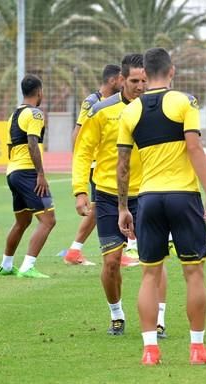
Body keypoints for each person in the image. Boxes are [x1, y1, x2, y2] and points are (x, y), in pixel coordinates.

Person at [117, 47, 206, 365]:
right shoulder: (184, 102)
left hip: (147, 199)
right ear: (171, 71)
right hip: (182, 196)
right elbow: (194, 146)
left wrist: (123, 207)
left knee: (149, 275)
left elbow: (123, 165)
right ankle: (197, 349)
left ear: (145, 75)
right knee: (193, 272)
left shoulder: (130, 111)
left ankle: (150, 351)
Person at [72, 54, 168, 338]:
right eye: (135, 81)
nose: (140, 86)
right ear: (121, 80)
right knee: (111, 262)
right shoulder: (102, 110)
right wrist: (80, 191)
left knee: (154, 260)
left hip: (149, 193)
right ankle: (117, 314)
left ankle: (159, 319)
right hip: (107, 196)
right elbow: (83, 152)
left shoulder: (156, 107)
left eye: (144, 80)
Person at [0, 74, 56, 278]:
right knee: (48, 220)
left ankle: (6, 265)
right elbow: (32, 142)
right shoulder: (35, 113)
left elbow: (9, 147)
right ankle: (27, 266)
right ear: (39, 92)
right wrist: (40, 173)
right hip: (28, 172)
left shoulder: (13, 115)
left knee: (22, 222)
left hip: (12, 171)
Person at [64, 64, 122, 266]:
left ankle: (75, 251)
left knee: (101, 208)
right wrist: (81, 160)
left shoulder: (117, 103)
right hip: (96, 166)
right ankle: (77, 250)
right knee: (103, 207)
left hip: (106, 164)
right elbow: (78, 133)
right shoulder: (93, 102)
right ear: (114, 80)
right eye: (123, 80)